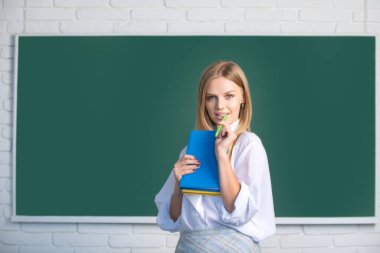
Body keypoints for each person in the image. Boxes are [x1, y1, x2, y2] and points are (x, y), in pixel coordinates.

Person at [155, 60, 276, 253]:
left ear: (243, 97)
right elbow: (173, 219)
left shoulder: (248, 144)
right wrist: (178, 184)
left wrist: (221, 155)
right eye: (211, 97)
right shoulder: (190, 149)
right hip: (189, 247)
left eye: (229, 96)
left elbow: (237, 211)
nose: (220, 106)